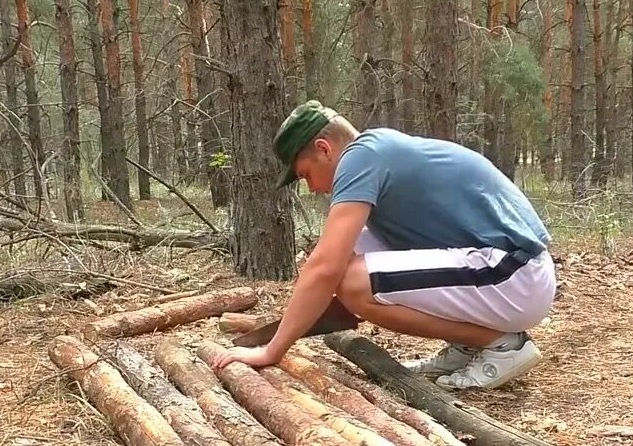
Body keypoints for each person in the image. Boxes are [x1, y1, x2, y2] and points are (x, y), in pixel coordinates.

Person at [211, 100, 556, 389]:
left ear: (323, 148)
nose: (312, 187)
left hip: (515, 274)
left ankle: (501, 343)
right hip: (506, 271)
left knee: (351, 281)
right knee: (354, 261)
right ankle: (469, 342)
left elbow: (326, 269)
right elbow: (330, 261)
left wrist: (272, 351)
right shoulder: (379, 154)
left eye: (305, 175)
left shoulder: (362, 158)